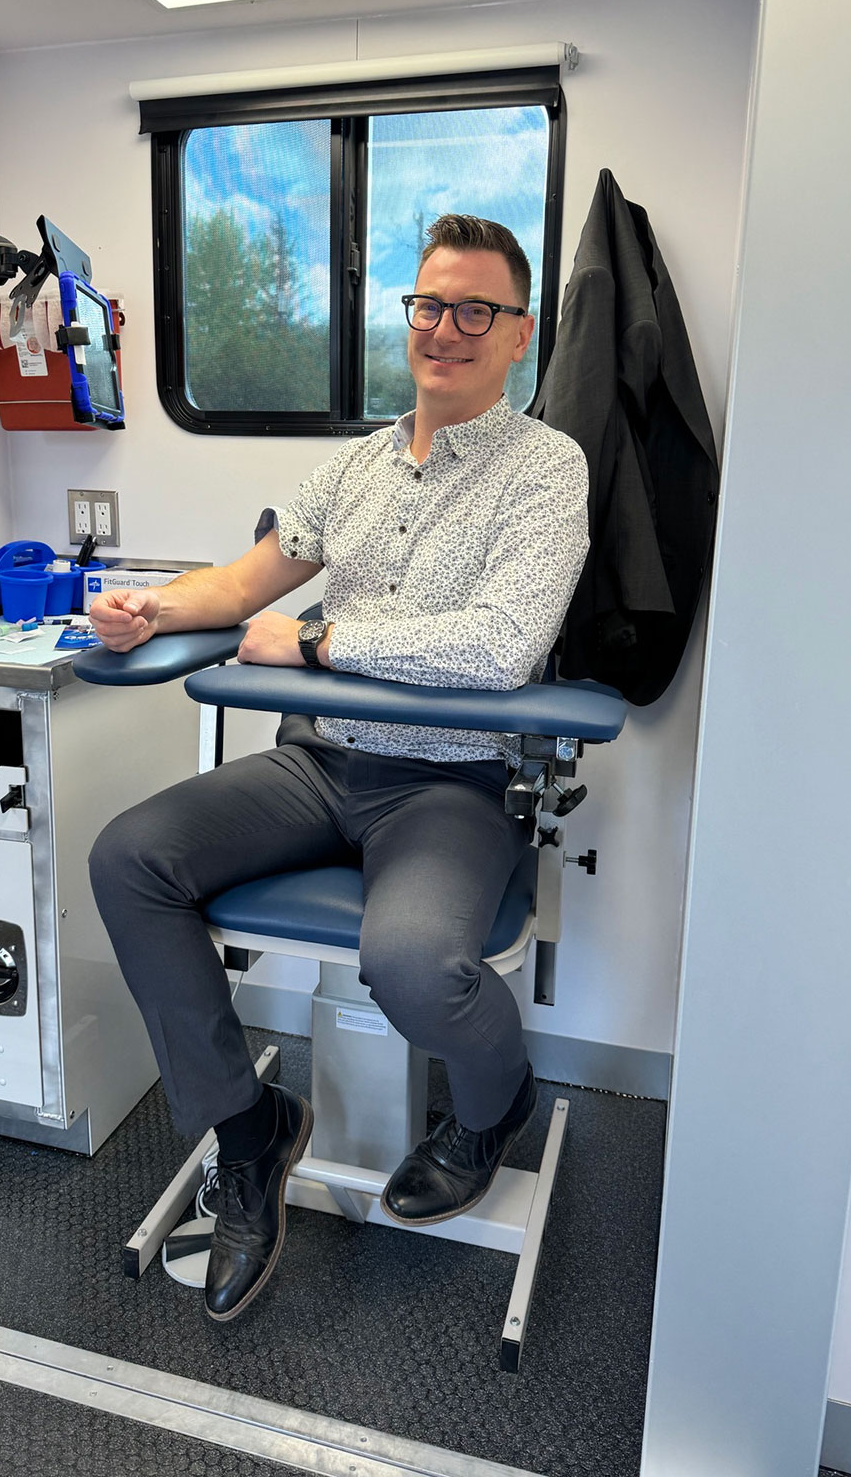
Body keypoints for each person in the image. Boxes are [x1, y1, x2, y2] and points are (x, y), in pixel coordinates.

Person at [88, 214, 589, 1323]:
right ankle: (249, 1132)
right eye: (428, 305)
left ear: (520, 337)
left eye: (475, 311)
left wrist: (320, 643)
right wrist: (150, 607)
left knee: (413, 963)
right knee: (130, 858)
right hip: (319, 766)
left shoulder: (548, 472)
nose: (444, 330)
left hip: (449, 785)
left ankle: (490, 1107)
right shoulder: (357, 464)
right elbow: (243, 585)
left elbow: (500, 645)